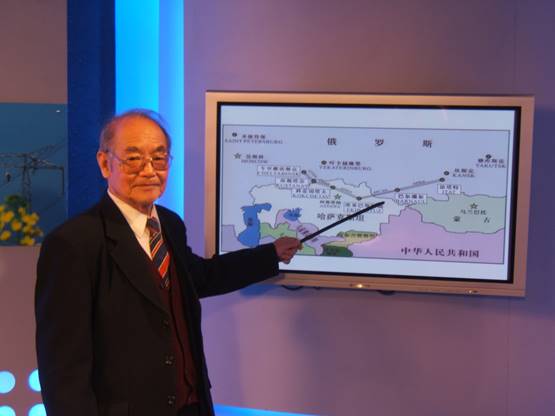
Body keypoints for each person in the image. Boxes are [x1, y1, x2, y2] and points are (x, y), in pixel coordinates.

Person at [35, 109, 301, 416]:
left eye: (159, 158)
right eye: (133, 158)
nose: (149, 170)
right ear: (105, 163)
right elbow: (63, 369)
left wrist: (269, 255)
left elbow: (198, 277)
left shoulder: (170, 224)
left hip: (190, 407)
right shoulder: (73, 243)